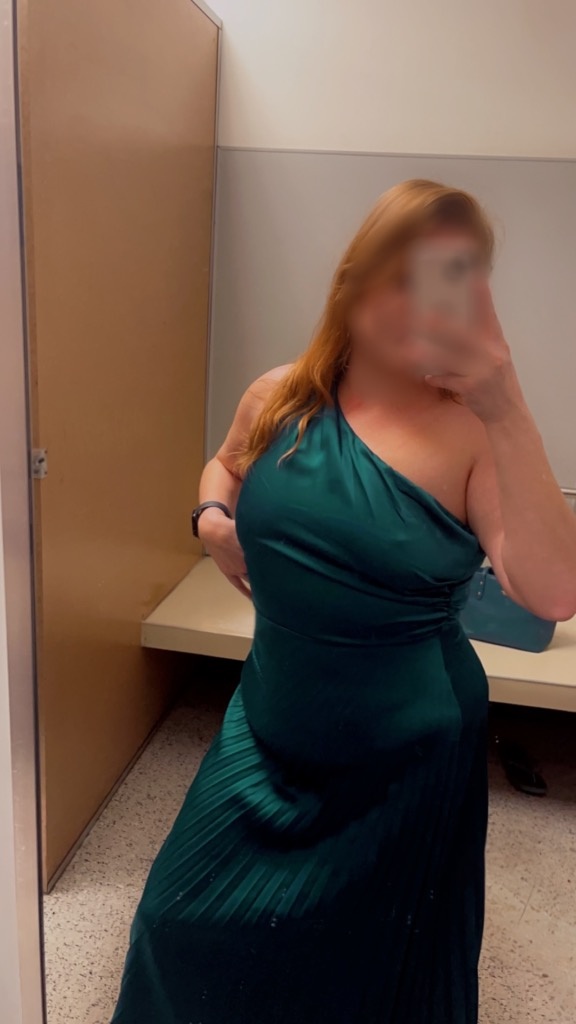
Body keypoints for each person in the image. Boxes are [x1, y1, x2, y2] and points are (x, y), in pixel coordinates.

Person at [111, 180, 576, 1024]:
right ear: (355, 279)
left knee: (361, 962)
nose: (421, 301)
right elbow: (225, 465)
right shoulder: (280, 394)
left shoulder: (474, 435)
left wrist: (507, 406)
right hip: (270, 715)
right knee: (179, 923)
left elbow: (553, 591)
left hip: (404, 747)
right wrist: (211, 518)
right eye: (405, 274)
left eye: (454, 278)